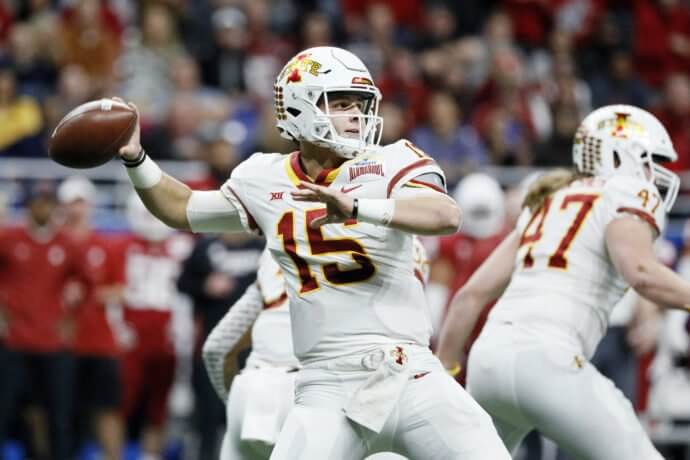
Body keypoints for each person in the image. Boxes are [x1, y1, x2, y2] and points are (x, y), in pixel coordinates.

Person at [116, 46, 510, 459]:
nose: (357, 116)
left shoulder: (392, 160)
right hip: (325, 384)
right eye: (341, 104)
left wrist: (358, 208)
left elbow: (444, 214)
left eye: (361, 105)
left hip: (410, 372)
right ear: (301, 107)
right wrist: (135, 159)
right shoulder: (262, 178)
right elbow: (182, 209)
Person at [436, 104, 690, 460]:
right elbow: (642, 273)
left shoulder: (546, 201)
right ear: (621, 155)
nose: (653, 174)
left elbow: (469, 296)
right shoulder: (627, 191)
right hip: (549, 359)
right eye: (649, 161)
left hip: (489, 361)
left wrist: (443, 374)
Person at [203, 237, 431, 460]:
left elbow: (217, 346)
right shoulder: (406, 244)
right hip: (324, 395)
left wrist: (237, 405)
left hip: (251, 389)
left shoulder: (281, 231)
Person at [57, 176, 125, 460]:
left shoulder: (105, 245)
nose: (77, 209)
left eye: (81, 202)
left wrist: (86, 293)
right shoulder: (52, 243)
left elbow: (119, 291)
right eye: (72, 203)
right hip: (60, 342)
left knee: (106, 409)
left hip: (98, 341)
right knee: (57, 409)